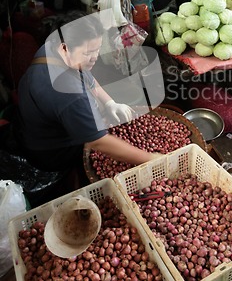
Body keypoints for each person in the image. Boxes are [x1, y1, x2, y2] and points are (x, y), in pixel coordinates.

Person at [18, 12, 159, 176]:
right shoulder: (69, 93)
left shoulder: (52, 47)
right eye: (87, 53)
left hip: (31, 126)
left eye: (97, 50)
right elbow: (98, 142)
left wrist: (109, 102)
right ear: (65, 47)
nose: (94, 58)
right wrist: (150, 158)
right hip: (50, 151)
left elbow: (84, 74)